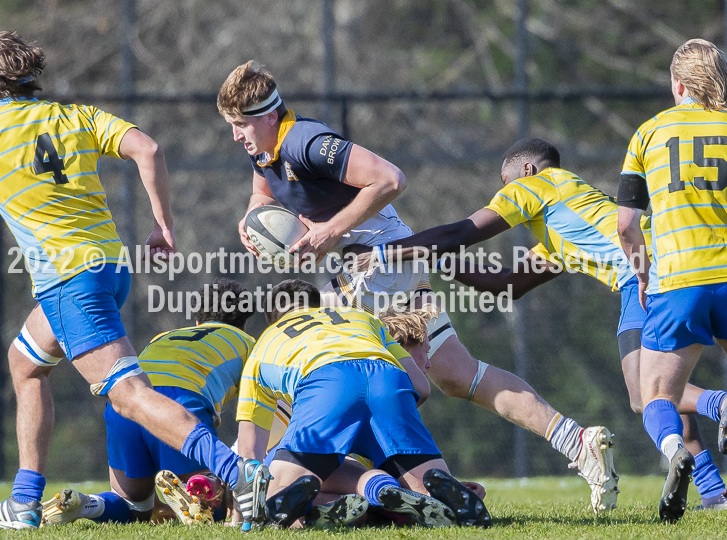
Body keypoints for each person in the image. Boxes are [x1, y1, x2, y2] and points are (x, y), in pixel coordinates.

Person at [218, 61, 617, 515]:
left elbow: (390, 179)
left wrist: (330, 232)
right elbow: (262, 191)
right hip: (381, 267)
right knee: (455, 372)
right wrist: (251, 218)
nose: (236, 136)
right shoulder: (263, 147)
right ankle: (575, 441)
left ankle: (244, 482)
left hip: (377, 263)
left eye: (240, 124)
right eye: (231, 125)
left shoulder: (305, 142)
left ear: (269, 116)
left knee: (309, 350)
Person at [0, 32, 269, 530]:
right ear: (33, 80)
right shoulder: (75, 116)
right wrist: (163, 225)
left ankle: (237, 472)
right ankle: (25, 501)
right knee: (25, 362)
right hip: (109, 268)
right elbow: (148, 149)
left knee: (127, 394)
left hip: (69, 282)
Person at [395, 137, 727, 510]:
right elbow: (508, 284)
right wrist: (436, 261)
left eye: (506, 184)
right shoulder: (563, 221)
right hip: (678, 265)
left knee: (644, 393)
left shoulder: (538, 185)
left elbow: (463, 232)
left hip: (645, 276)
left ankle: (720, 404)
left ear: (527, 171)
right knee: (667, 384)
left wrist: (391, 250)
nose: (503, 195)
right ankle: (714, 492)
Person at [236, 279, 492, 529]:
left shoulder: (265, 344)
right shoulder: (360, 318)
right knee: (426, 485)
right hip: (387, 380)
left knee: (274, 492)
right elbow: (420, 386)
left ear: (274, 319)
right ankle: (441, 498)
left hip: (325, 384)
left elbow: (249, 455)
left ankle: (307, 508)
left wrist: (240, 517)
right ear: (319, 306)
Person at [40, 279, 256, 526]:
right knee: (213, 502)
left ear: (197, 320)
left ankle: (86, 504)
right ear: (244, 323)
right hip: (180, 405)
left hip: (127, 403)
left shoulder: (163, 336)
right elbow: (255, 412)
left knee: (134, 506)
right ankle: (200, 492)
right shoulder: (249, 345)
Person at [617, 39, 727, 522]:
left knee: (656, 394)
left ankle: (674, 450)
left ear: (678, 85)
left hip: (680, 281)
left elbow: (625, 225)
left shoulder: (648, 133)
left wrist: (642, 274)